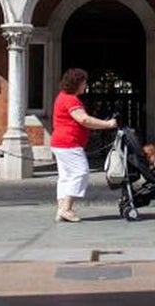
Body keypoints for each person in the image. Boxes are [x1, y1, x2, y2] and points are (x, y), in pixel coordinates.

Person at [51, 68, 117, 222]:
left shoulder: (63, 97)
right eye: (84, 82)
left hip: (60, 142)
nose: (85, 85)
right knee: (81, 172)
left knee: (66, 177)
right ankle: (66, 208)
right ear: (77, 83)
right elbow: (84, 120)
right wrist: (108, 124)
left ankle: (61, 209)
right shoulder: (71, 100)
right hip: (69, 142)